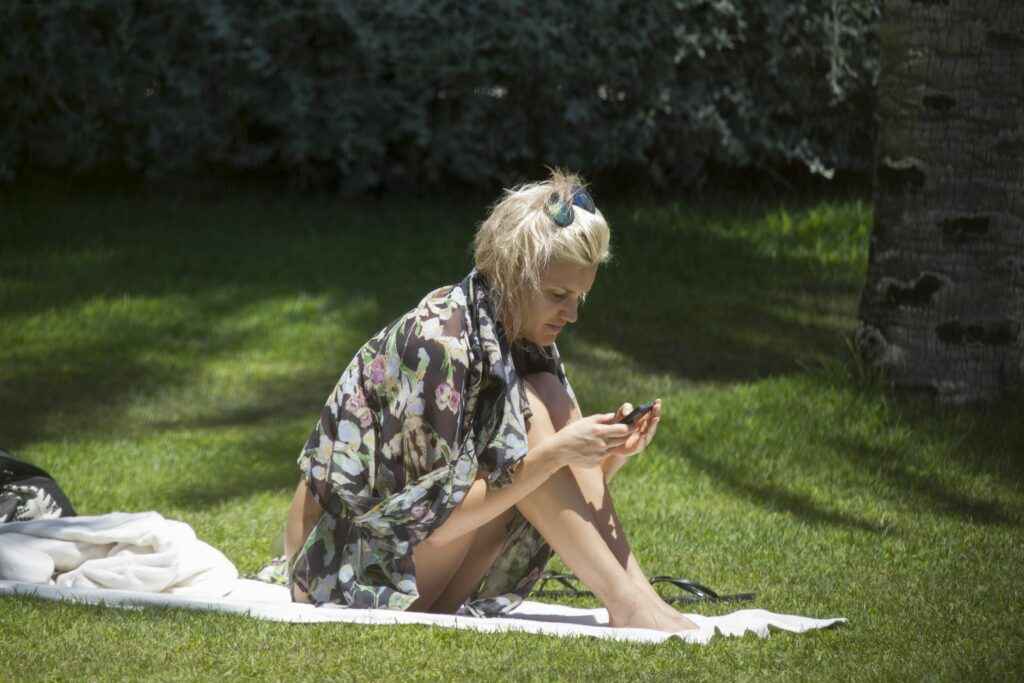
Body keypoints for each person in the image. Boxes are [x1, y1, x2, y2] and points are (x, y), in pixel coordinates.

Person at [283, 169, 697, 632]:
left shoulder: (519, 333)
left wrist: (608, 452)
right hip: (340, 567)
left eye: (580, 297)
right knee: (530, 411)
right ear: (511, 276)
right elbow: (433, 521)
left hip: (416, 547)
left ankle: (637, 596)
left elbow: (559, 496)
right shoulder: (439, 344)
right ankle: (627, 603)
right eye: (559, 295)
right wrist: (558, 452)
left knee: (544, 394)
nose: (572, 314)